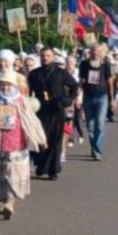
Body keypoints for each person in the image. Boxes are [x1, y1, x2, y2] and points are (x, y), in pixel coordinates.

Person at [0, 70, 47, 219]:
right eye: (3, 84)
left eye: (8, 84)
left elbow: (32, 120)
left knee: (14, 173)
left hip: (17, 142)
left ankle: (10, 203)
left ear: (14, 85)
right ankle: (4, 199)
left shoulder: (21, 100)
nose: (5, 87)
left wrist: (40, 139)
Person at [29, 45, 73, 181]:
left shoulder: (61, 72)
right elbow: (28, 91)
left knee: (55, 141)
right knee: (42, 139)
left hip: (56, 110)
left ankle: (54, 170)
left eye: (48, 56)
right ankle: (41, 167)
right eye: (43, 56)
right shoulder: (34, 74)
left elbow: (74, 85)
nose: (45, 58)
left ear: (53, 57)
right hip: (40, 111)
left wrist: (67, 100)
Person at [78, 43, 113, 161]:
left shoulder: (105, 65)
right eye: (93, 51)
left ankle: (98, 151)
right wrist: (78, 95)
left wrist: (112, 99)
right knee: (90, 126)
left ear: (101, 53)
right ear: (90, 52)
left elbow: (110, 82)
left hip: (102, 97)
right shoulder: (84, 64)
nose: (95, 53)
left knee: (99, 125)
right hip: (88, 97)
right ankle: (94, 147)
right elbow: (81, 81)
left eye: (97, 51)